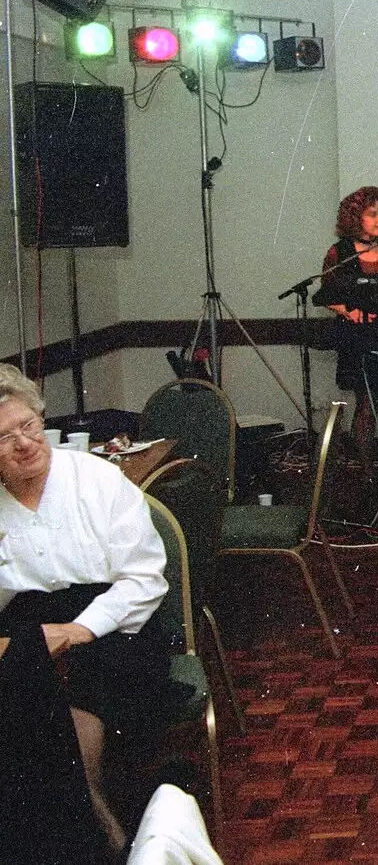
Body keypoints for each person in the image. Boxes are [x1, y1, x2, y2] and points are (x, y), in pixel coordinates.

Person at [0, 364, 170, 856]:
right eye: (4, 437)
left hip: (115, 621)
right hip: (24, 622)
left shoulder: (96, 479)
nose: (23, 443)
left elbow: (143, 579)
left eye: (28, 426)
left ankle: (92, 821)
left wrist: (79, 629)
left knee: (70, 692)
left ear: (41, 419)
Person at [316, 186, 378, 458]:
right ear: (355, 217)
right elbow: (325, 295)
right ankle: (365, 467)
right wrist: (347, 311)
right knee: (367, 401)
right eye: (373, 214)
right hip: (359, 338)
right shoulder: (340, 252)